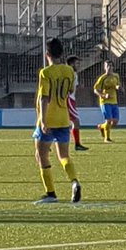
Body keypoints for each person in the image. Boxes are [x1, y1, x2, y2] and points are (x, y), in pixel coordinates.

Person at [33, 38, 83, 204]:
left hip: (49, 119)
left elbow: (44, 97)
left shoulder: (45, 73)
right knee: (64, 155)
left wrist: (43, 121)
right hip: (63, 118)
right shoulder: (69, 71)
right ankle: (74, 181)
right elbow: (70, 91)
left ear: (47, 53)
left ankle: (51, 193)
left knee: (41, 155)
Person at [65, 55, 90, 152]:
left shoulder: (73, 73)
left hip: (71, 99)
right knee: (75, 121)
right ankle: (77, 144)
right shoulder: (69, 73)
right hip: (68, 99)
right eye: (77, 63)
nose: (79, 65)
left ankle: (46, 142)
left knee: (63, 122)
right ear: (71, 64)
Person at [94, 60, 121, 143]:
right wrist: (103, 95)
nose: (109, 67)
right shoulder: (102, 78)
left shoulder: (116, 76)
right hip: (105, 102)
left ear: (113, 67)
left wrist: (118, 87)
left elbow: (117, 84)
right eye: (107, 66)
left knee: (115, 122)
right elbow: (95, 90)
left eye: (111, 66)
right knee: (108, 120)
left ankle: (102, 127)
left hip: (114, 101)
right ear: (105, 67)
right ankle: (107, 138)